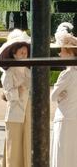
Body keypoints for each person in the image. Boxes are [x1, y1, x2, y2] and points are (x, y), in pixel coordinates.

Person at [0, 29, 31, 167]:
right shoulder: (8, 72)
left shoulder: (30, 69)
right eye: (21, 52)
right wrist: (19, 90)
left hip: (29, 110)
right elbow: (7, 92)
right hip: (15, 112)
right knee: (14, 142)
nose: (24, 54)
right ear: (14, 53)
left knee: (28, 141)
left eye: (25, 52)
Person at [50, 22, 77, 167]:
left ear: (69, 52)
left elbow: (53, 97)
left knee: (62, 157)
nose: (59, 53)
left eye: (61, 50)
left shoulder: (66, 74)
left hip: (64, 118)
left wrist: (60, 95)